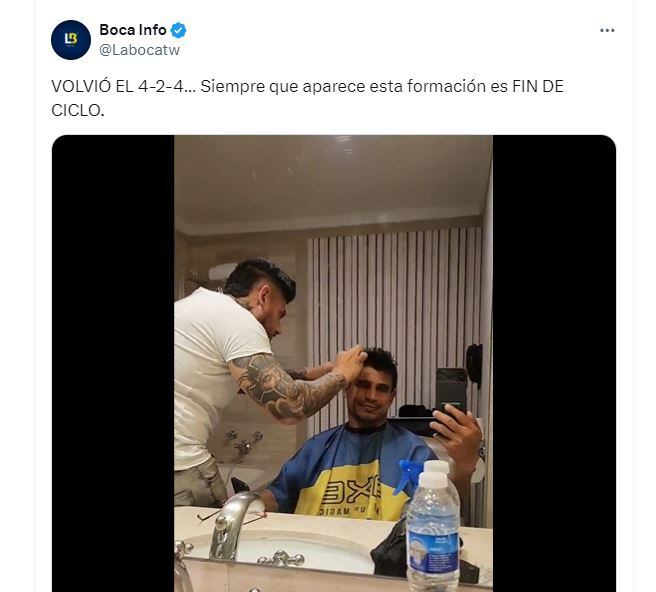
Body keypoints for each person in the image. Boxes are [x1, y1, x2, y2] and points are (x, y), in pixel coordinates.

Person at [174, 257, 367, 508]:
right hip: (182, 467)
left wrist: (309, 374)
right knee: (221, 532)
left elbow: (251, 379)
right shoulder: (238, 319)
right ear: (263, 296)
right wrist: (341, 375)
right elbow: (290, 406)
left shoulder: (193, 308)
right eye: (280, 314)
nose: (279, 328)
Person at [259, 348, 482, 521]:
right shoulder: (316, 449)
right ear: (346, 388)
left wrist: (465, 466)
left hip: (382, 562)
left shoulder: (414, 453)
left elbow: (443, 513)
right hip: (318, 556)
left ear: (392, 396)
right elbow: (275, 498)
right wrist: (244, 504)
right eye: (363, 385)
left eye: (381, 389)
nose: (372, 396)